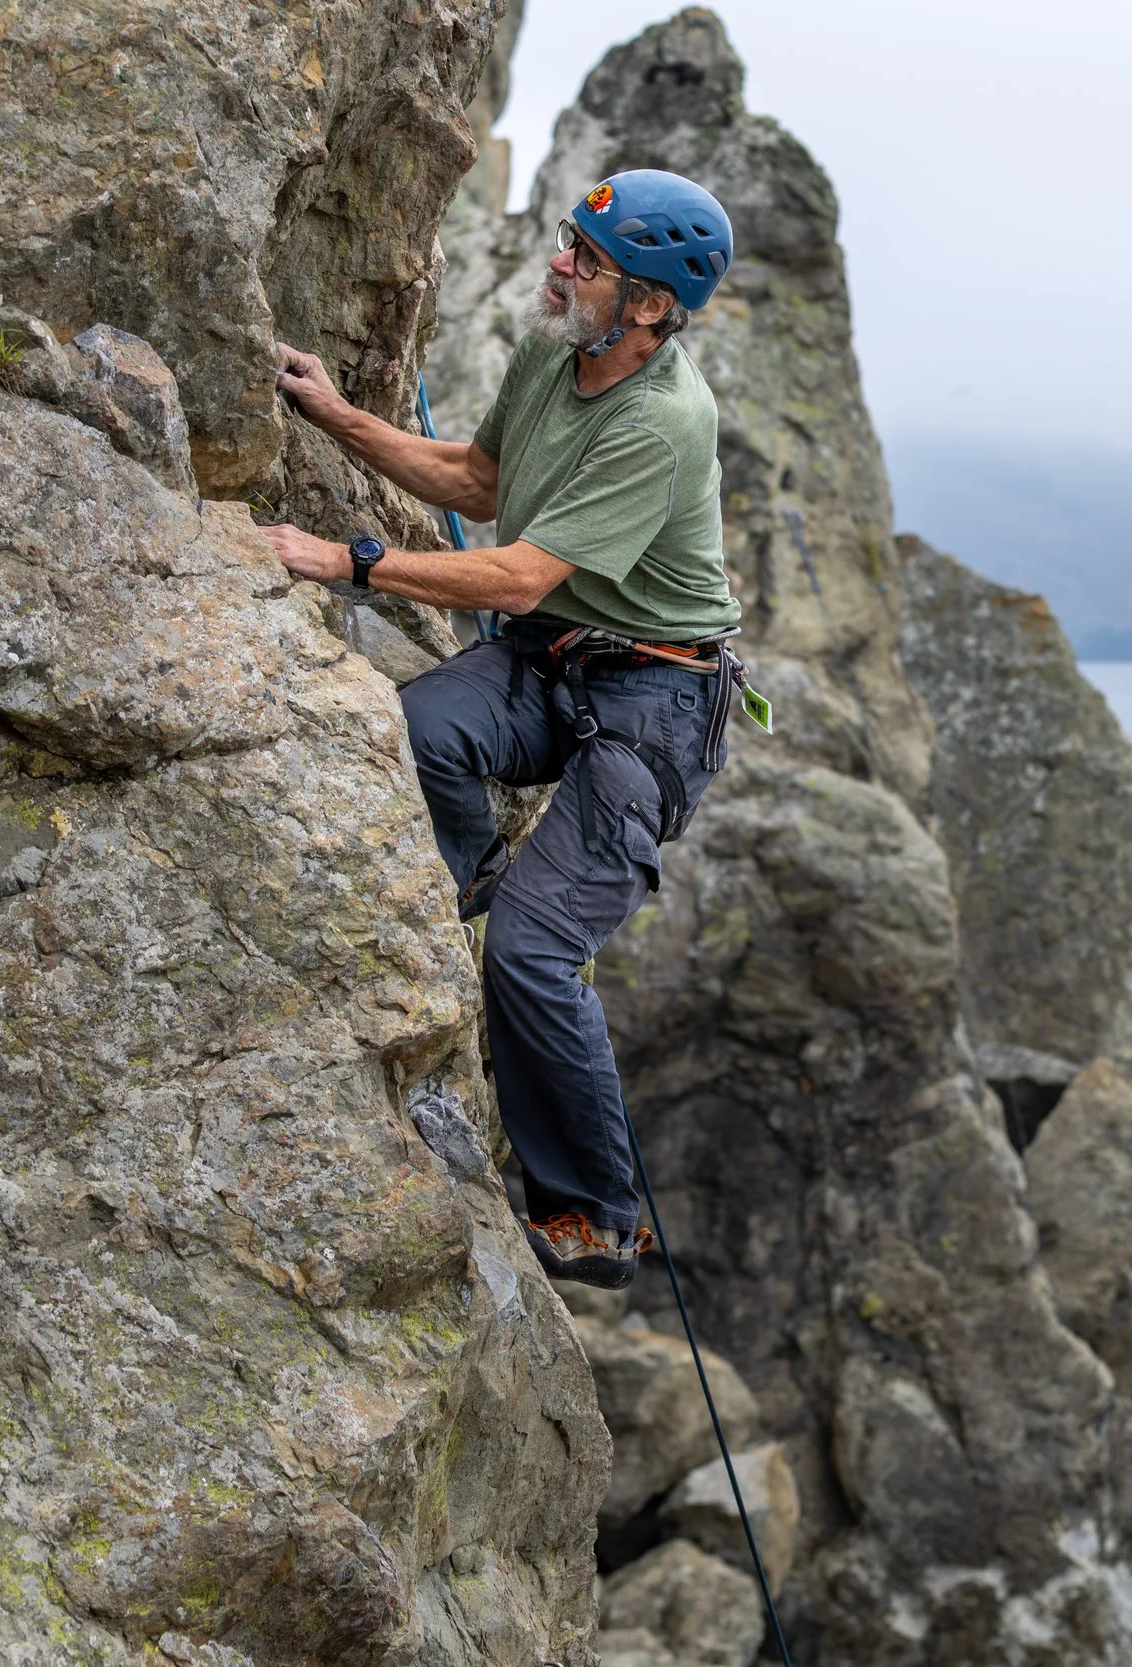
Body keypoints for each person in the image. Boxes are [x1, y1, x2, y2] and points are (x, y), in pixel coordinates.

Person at [261, 169, 743, 1289]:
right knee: (418, 725)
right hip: (557, 655)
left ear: (650, 308)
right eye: (570, 239)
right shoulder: (553, 348)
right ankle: (477, 889)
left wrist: (348, 560)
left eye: (589, 259)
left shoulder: (662, 422)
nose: (560, 263)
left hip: (657, 700)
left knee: (536, 950)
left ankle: (595, 1219)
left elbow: (520, 575)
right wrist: (338, 415)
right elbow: (478, 481)